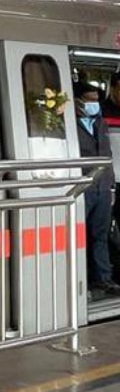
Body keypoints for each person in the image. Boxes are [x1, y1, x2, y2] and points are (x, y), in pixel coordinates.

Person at [75, 81, 119, 298]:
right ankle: (80, 278)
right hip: (83, 185)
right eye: (89, 100)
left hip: (102, 186)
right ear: (78, 101)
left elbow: (107, 154)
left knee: (100, 235)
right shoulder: (69, 123)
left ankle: (103, 279)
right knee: (79, 235)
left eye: (96, 100)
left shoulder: (99, 122)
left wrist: (111, 187)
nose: (94, 104)